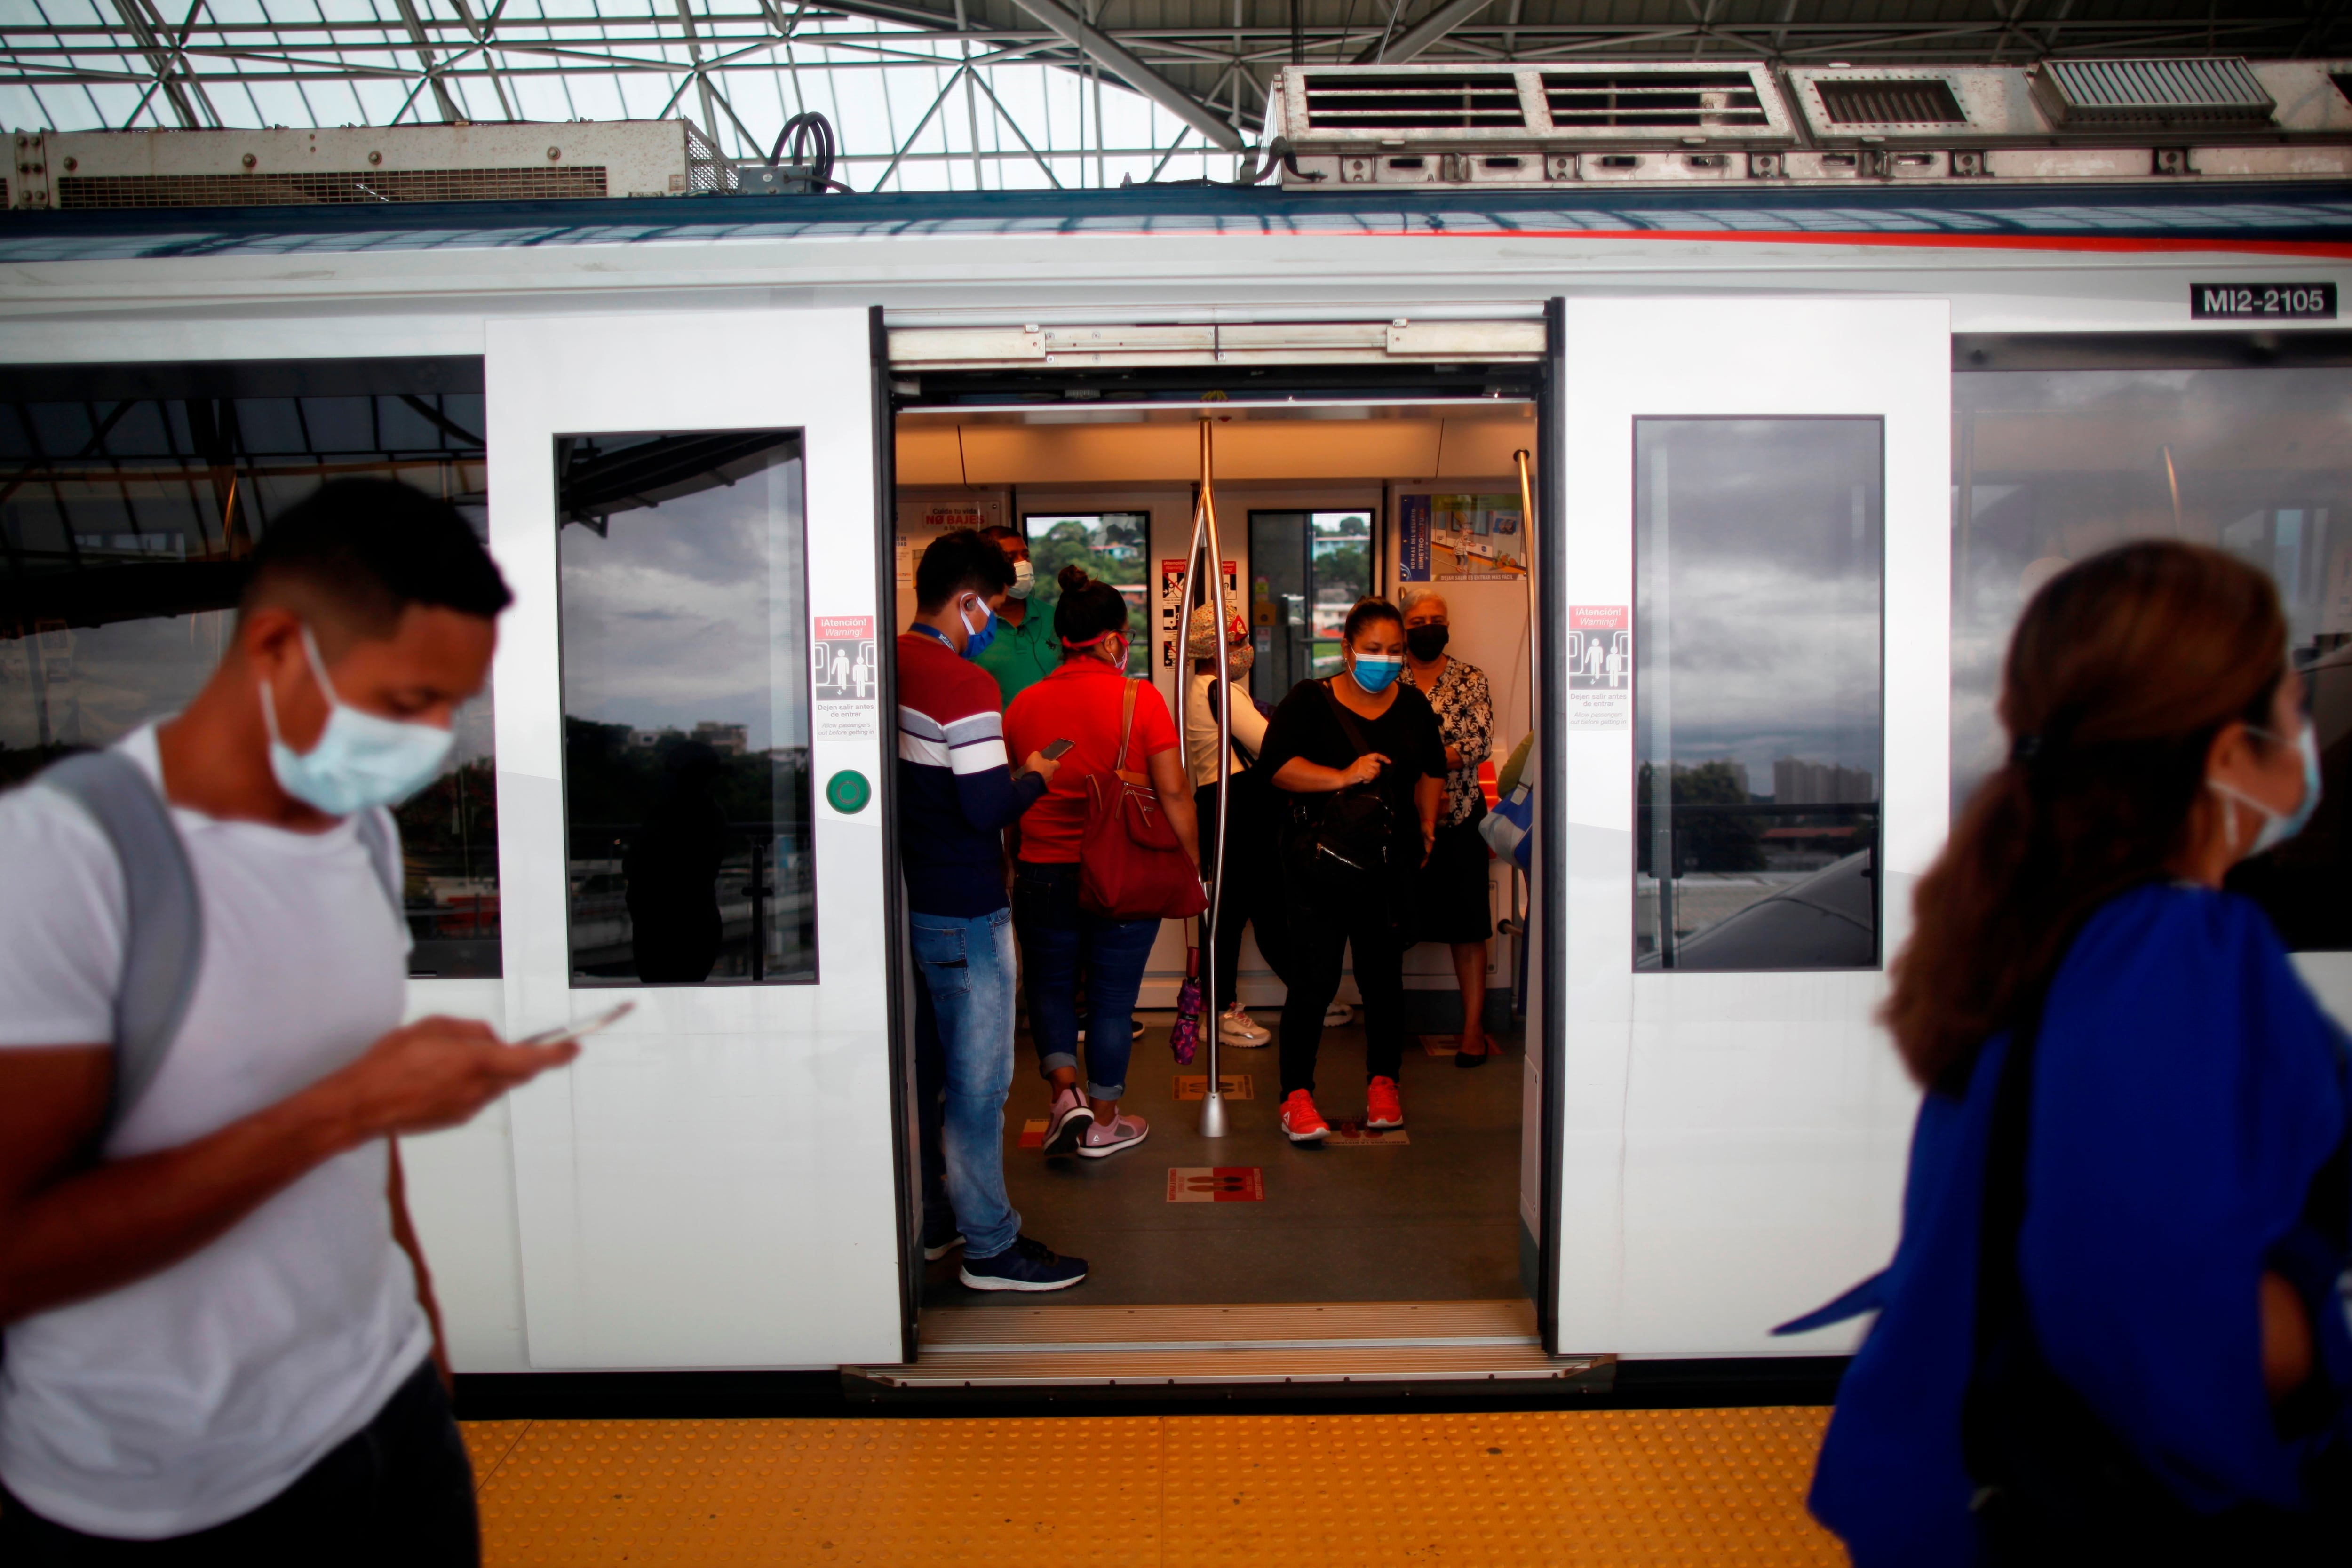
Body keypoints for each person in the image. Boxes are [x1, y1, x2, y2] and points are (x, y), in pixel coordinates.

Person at [0, 479, 578, 1564]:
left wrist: (420, 1335)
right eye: (408, 702)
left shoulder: (359, 835)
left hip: (387, 1409)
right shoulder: (59, 862)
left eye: (454, 708)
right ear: (275, 645)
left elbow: (364, 1139)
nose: (434, 740)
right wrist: (343, 1108)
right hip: (173, 1497)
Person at [1806, 541, 2352, 1565]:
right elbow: (2157, 1320)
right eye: (2292, 704)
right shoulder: (2173, 950)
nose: (2309, 737)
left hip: (1961, 1492)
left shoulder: (2037, 923)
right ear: (2224, 751)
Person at [894, 529, 1086, 1294]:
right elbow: (985, 807)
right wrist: (1034, 775)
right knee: (979, 1088)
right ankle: (992, 1247)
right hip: (969, 907)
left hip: (915, 902)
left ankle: (938, 1217)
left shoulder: (892, 665)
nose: (992, 626)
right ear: (969, 599)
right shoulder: (963, 684)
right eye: (992, 609)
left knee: (931, 1075)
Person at [1004, 565, 1199, 1160]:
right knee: (1112, 1002)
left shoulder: (1022, 706)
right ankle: (1104, 1123)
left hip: (1041, 871)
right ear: (1114, 639)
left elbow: (1013, 797)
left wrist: (1012, 865)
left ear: (1061, 638)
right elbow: (1172, 792)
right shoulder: (1140, 700)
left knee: (1050, 990)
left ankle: (1065, 1096)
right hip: (1121, 875)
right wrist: (1193, 865)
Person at [1260, 598, 1445, 1144]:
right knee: (1313, 982)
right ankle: (1296, 1096)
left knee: (1383, 981)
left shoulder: (1411, 706)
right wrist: (1342, 776)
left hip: (1387, 867)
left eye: (1394, 651)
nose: (1384, 660)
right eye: (1373, 649)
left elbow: (1432, 768)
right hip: (1320, 866)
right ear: (1346, 649)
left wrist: (1427, 822)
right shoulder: (1308, 700)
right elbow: (1277, 769)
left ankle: (1384, 1084)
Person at [1398, 586, 1498, 1068]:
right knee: (1392, 924)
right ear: (1402, 628)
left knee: (1468, 927)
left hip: (1459, 818)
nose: (1428, 629)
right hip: (1400, 820)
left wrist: (1425, 762)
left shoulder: (1469, 679)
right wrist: (1429, 762)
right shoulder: (1389, 677)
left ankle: (1473, 1029)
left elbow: (1478, 743)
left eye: (1436, 620)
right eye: (1417, 622)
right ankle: (1387, 1025)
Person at [1183, 598, 1281, 1049]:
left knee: (1254, 910)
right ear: (1214, 648)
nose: (1245, 650)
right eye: (1236, 642)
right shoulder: (1218, 689)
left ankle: (1308, 992)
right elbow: (1269, 744)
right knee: (1232, 915)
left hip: (1225, 805)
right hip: (1234, 807)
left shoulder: (1204, 688)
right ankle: (1220, 1011)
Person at [972, 525, 1059, 708]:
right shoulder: (969, 625)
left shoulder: (1055, 617)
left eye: (1026, 556)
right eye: (1011, 558)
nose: (1023, 564)